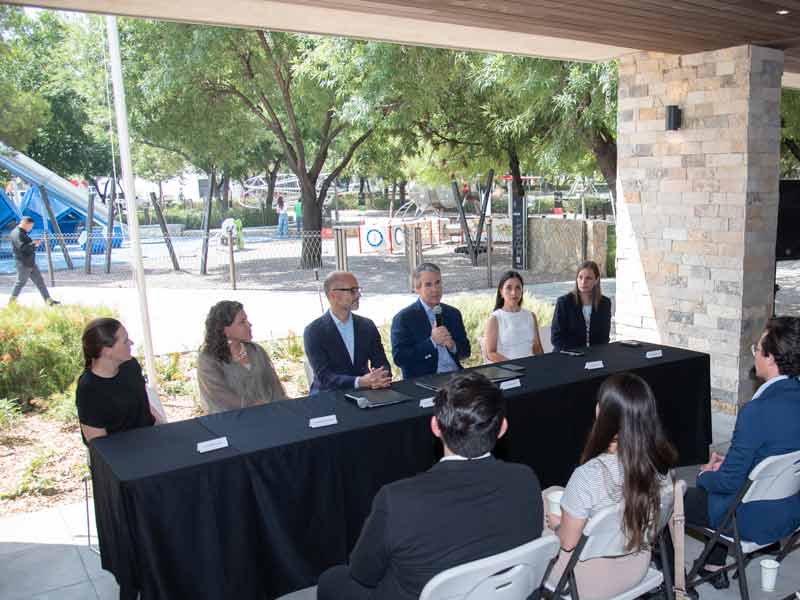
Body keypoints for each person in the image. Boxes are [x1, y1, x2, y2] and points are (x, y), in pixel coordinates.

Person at [317, 372, 544, 600]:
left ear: (435, 426)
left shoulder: (397, 500)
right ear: (502, 428)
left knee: (332, 579)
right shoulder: (526, 479)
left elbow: (363, 573)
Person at [683, 316, 800, 590]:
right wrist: (731, 465)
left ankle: (673, 580)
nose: (755, 355)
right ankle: (714, 566)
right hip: (791, 509)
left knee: (669, 498)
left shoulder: (756, 412)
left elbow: (728, 483)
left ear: (771, 358)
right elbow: (776, 454)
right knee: (726, 484)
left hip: (752, 519)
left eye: (757, 349)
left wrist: (705, 474)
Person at [543, 372, 676, 599]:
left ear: (602, 414)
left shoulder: (588, 475)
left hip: (587, 582)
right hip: (638, 567)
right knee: (554, 491)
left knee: (541, 506)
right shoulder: (663, 464)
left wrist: (556, 525)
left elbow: (567, 542)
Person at [76, 318, 161, 444]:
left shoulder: (131, 365)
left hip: (150, 439)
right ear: (107, 351)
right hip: (120, 452)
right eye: (125, 341)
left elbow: (145, 405)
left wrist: (164, 428)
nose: (131, 343)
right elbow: (98, 445)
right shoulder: (89, 389)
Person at [304, 271, 392, 394]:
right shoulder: (314, 331)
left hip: (366, 392)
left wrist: (380, 377)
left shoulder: (367, 326)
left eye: (358, 290)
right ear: (333, 295)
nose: (358, 295)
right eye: (352, 290)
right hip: (328, 397)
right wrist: (359, 381)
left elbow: (381, 362)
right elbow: (324, 376)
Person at [197, 301, 286, 413]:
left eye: (247, 320)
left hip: (269, 414)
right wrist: (255, 406)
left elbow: (276, 388)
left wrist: (284, 408)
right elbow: (220, 397)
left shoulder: (256, 351)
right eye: (242, 322)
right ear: (225, 329)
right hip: (231, 422)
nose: (249, 324)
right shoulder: (208, 359)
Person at [391, 263, 470, 379]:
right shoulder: (404, 318)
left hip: (455, 377)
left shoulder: (453, 313)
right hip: (424, 381)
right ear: (417, 288)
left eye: (438, 283)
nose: (435, 289)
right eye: (428, 285)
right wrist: (432, 342)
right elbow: (400, 358)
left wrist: (453, 346)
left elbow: (466, 352)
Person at [551, 260, 611, 351]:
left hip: (595, 354)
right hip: (567, 355)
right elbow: (556, 338)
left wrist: (595, 354)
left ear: (596, 280)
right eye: (580, 277)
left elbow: (604, 337)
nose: (583, 282)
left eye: (588, 278)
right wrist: (580, 353)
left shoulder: (605, 303)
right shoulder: (564, 303)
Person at [484, 270, 544, 361]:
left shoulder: (530, 316)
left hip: (531, 367)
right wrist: (514, 365)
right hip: (507, 370)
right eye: (509, 288)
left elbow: (537, 347)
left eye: (518, 288)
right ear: (501, 292)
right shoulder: (495, 319)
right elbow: (490, 353)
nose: (514, 292)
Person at [8, 216, 59, 306]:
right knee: (20, 282)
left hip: (29, 262)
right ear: (25, 223)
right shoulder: (17, 233)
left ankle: (48, 300)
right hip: (23, 263)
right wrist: (34, 244)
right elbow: (23, 248)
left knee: (39, 281)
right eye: (30, 226)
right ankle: (11, 302)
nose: (31, 228)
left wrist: (33, 245)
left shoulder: (21, 233)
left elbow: (25, 247)